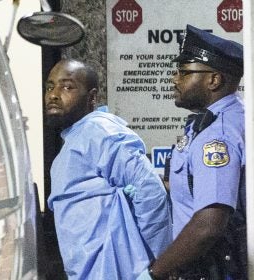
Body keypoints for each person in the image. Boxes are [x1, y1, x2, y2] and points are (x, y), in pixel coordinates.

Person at [45, 59, 172, 279]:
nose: (54, 94)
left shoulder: (99, 131)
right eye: (50, 86)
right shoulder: (75, 140)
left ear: (92, 97)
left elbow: (150, 189)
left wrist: (160, 266)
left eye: (67, 87)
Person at [138, 25, 246, 279]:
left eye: (185, 73)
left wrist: (156, 271)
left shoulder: (218, 134)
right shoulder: (224, 119)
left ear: (213, 80)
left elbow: (208, 225)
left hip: (212, 268)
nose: (175, 80)